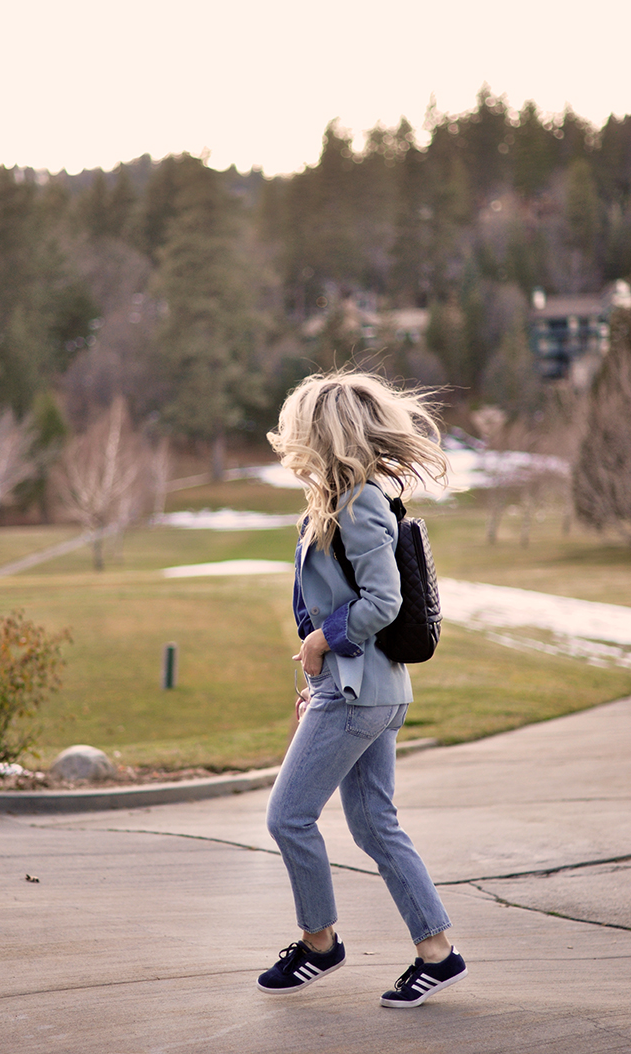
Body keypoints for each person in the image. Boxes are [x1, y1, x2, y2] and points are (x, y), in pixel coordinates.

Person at [256, 370, 467, 1008]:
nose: (289, 440)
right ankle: (438, 954)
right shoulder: (337, 501)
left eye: (299, 429)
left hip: (356, 694)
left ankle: (319, 945)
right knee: (376, 825)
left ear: (324, 435)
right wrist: (314, 673)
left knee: (288, 817)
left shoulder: (358, 503)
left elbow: (384, 600)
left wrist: (321, 644)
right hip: (364, 692)